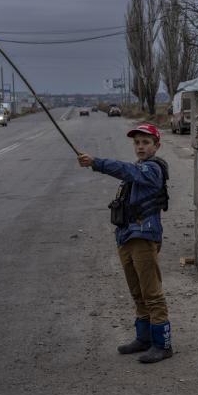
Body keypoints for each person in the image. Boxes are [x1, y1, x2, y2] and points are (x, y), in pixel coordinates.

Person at [77, 123, 173, 364]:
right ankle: (144, 338)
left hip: (144, 237)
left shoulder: (152, 169)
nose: (140, 147)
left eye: (146, 142)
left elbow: (125, 170)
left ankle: (162, 344)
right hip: (127, 236)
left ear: (156, 146)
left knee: (152, 293)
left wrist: (96, 163)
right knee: (137, 292)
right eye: (137, 142)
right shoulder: (140, 167)